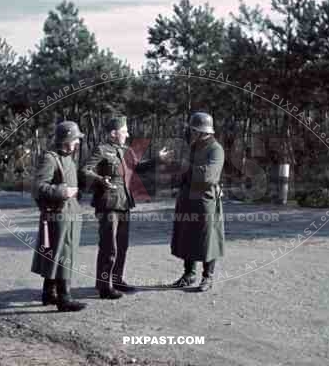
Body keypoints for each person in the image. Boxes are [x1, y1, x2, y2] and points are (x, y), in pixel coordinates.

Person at [81, 116, 173, 299]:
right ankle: (104, 286)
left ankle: (117, 280)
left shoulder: (126, 150)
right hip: (107, 204)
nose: (127, 134)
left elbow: (138, 168)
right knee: (109, 246)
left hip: (124, 203)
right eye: (124, 131)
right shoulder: (101, 150)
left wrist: (158, 160)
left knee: (122, 246)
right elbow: (85, 170)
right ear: (114, 133)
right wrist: (100, 180)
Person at [30, 121, 86, 311]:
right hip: (58, 216)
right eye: (76, 139)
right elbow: (38, 188)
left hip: (69, 215)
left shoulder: (69, 158)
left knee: (58, 254)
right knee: (63, 255)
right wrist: (64, 192)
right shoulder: (50, 158)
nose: (77, 143)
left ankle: (49, 293)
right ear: (66, 139)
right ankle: (64, 297)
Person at [170, 112, 225, 292]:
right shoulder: (194, 147)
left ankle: (207, 277)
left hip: (205, 201)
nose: (191, 133)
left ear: (201, 131)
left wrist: (185, 168)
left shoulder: (216, 149)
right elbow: (182, 172)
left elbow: (208, 175)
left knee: (208, 239)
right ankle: (189, 274)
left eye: (194, 130)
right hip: (187, 199)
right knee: (187, 237)